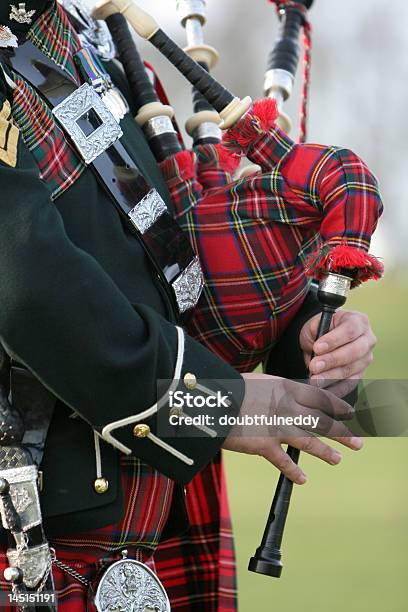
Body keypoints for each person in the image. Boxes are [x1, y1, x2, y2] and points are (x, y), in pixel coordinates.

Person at [0, 2, 377, 610]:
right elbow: (25, 287)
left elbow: (154, 250)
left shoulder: (73, 35)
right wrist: (214, 405)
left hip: (151, 504)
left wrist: (299, 326)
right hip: (37, 529)